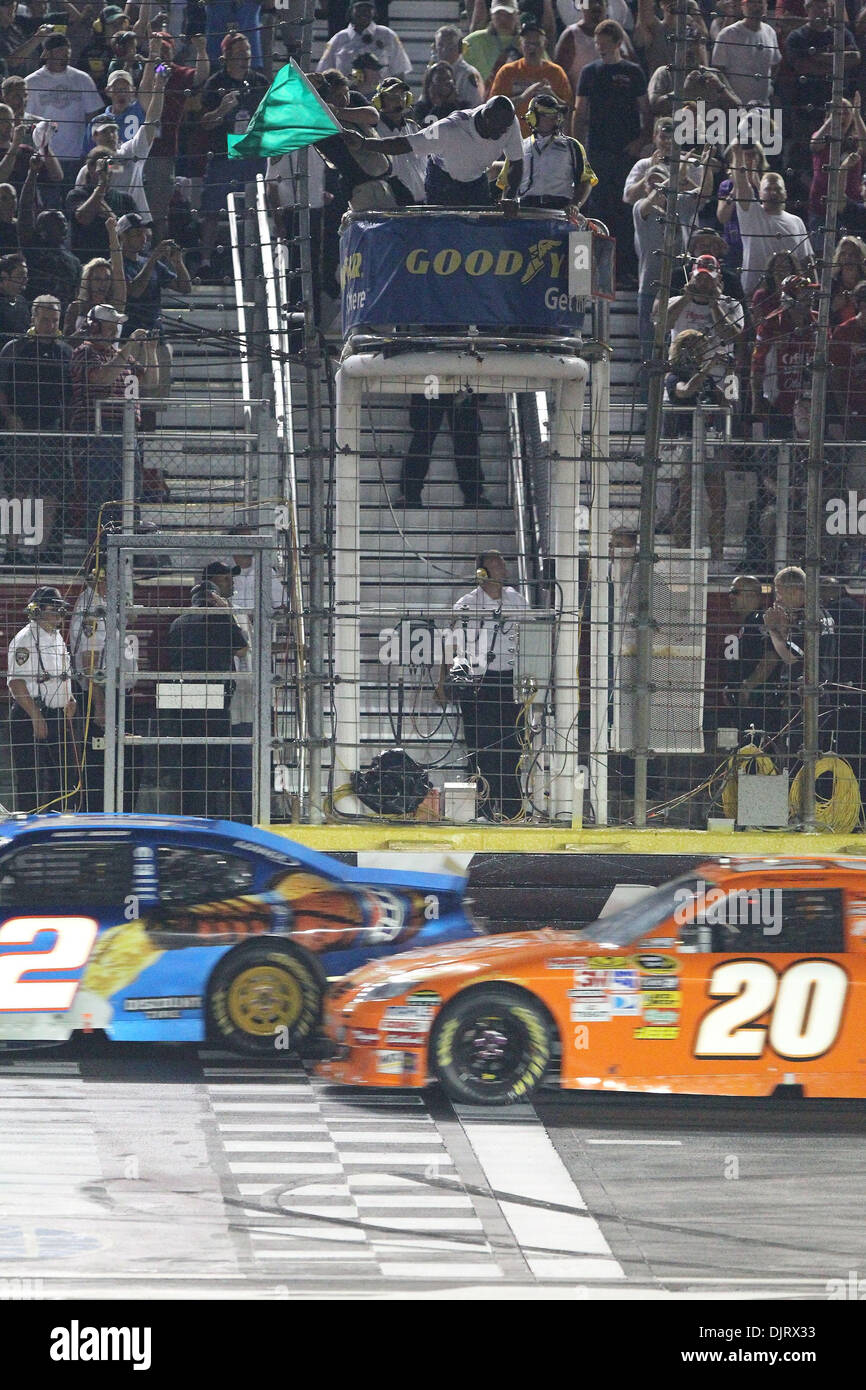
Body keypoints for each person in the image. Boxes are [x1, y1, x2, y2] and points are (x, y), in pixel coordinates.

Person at [435, 549, 529, 821]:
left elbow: (534, 634)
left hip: (510, 679)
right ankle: (484, 807)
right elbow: (451, 644)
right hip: (478, 682)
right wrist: (445, 682)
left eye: (502, 563)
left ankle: (513, 808)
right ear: (483, 573)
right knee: (480, 744)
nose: (502, 568)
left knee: (512, 744)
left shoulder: (517, 600)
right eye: (496, 565)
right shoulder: (467, 603)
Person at [164, 577, 249, 817]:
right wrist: (227, 613)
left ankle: (187, 815)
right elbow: (242, 649)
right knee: (210, 761)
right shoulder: (219, 619)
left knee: (188, 760)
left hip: (181, 695)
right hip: (212, 695)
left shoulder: (178, 622)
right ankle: (205, 815)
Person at [69, 303, 155, 539]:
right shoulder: (84, 352)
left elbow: (150, 383)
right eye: (110, 327)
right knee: (99, 496)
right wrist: (128, 347)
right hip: (99, 433)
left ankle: (124, 553)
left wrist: (149, 349)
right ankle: (97, 556)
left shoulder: (118, 356)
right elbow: (101, 379)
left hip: (127, 433)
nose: (115, 332)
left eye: (117, 327)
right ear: (94, 327)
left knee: (128, 495)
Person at [575, 18, 650, 287]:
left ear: (618, 43)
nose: (601, 49)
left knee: (624, 211)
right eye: (598, 44)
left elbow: (646, 111)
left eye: (606, 44)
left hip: (625, 153)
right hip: (597, 151)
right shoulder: (589, 72)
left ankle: (625, 269)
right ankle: (596, 273)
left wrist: (641, 139)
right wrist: (578, 149)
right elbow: (580, 112)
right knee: (598, 210)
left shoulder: (633, 72)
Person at [358, 94, 524, 209]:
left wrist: (509, 197)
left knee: (478, 228)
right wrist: (364, 143)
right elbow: (403, 144)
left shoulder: (509, 123)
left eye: (506, 127)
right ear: (486, 117)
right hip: (443, 180)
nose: (503, 132)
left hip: (476, 180)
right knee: (442, 226)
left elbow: (516, 162)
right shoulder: (448, 128)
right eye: (499, 128)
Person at [0, 293, 71, 561]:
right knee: (17, 489)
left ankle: (41, 550)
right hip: (22, 427)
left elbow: (69, 392)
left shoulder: (65, 351)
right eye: (45, 319)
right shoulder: (15, 348)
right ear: (33, 318)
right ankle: (13, 549)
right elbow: (2, 387)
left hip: (52, 429)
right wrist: (9, 417)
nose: (50, 325)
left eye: (54, 320)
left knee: (50, 493)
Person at [198, 33, 268, 279]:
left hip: (251, 152)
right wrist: (222, 109)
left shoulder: (259, 81)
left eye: (247, 55)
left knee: (254, 208)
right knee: (212, 210)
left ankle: (253, 261)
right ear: (226, 57)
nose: (244, 60)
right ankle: (205, 261)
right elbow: (204, 123)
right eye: (239, 55)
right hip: (223, 153)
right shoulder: (216, 82)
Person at [7, 585, 78, 812]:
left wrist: (70, 698)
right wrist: (36, 717)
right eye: (53, 607)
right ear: (37, 610)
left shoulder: (56, 637)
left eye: (60, 608)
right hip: (31, 713)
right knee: (32, 780)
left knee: (65, 775)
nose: (58, 613)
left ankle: (54, 821)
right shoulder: (26, 639)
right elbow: (16, 682)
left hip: (56, 714)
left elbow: (62, 674)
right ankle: (30, 828)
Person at [119, 211, 191, 416]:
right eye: (136, 234)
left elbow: (184, 288)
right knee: (131, 401)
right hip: (130, 340)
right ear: (122, 237)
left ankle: (147, 444)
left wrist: (177, 261)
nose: (142, 239)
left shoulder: (151, 263)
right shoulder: (118, 264)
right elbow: (134, 291)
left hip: (156, 337)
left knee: (153, 401)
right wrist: (152, 260)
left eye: (144, 234)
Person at [144, 30, 210, 242]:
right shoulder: (148, 70)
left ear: (173, 51)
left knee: (160, 211)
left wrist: (200, 50)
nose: (162, 54)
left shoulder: (178, 73)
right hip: (139, 148)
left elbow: (201, 76)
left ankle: (160, 252)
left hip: (164, 150)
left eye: (165, 49)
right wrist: (150, 59)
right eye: (158, 49)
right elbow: (139, 90)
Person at [24, 33, 102, 185]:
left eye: (67, 51)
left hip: (76, 155)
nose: (64, 55)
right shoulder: (32, 82)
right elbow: (26, 117)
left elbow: (93, 117)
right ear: (47, 53)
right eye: (60, 51)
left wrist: (90, 150)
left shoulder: (82, 79)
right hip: (45, 156)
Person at [395, 388, 489, 510]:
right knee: (465, 440)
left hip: (433, 382)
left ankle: (411, 494)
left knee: (424, 438)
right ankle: (473, 494)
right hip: (459, 383)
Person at [732, 165, 813, 299]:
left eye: (777, 189)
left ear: (785, 193)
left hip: (791, 294)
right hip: (754, 293)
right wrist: (738, 152)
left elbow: (805, 260)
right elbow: (741, 184)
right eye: (768, 189)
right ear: (760, 193)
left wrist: (810, 292)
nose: (773, 193)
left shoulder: (797, 221)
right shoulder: (751, 214)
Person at [487, 13, 572, 134]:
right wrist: (523, 97)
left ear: (545, 45)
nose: (532, 48)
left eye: (537, 44)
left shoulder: (556, 72)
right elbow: (493, 108)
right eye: (527, 44)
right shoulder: (508, 71)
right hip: (515, 139)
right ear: (520, 45)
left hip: (548, 140)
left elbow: (568, 110)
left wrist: (552, 97)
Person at [17, 155, 81, 311]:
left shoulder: (74, 261)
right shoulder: (33, 246)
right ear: (41, 229)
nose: (63, 223)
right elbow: (25, 208)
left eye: (63, 220)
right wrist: (32, 173)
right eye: (56, 221)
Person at [517, 91, 596, 210]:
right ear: (533, 117)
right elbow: (507, 182)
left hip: (560, 207)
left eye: (555, 115)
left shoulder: (572, 146)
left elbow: (586, 181)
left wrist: (575, 205)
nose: (553, 119)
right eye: (546, 115)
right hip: (526, 207)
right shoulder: (520, 146)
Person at [724, 573, 780, 731]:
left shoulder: (760, 621)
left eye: (735, 592)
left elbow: (772, 656)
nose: (730, 596)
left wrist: (749, 686)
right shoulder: (748, 623)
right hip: (747, 700)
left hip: (759, 701)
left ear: (752, 595)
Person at [66, 145, 137, 260]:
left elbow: (134, 235)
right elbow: (83, 217)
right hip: (86, 260)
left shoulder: (125, 199)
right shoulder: (76, 195)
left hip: (117, 260)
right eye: (103, 165)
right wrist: (102, 183)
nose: (108, 169)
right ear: (90, 167)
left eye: (110, 164)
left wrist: (109, 213)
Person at [316, 0, 411, 82]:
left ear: (375, 12)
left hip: (380, 98)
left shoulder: (387, 35)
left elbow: (399, 70)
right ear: (350, 11)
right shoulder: (339, 38)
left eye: (368, 9)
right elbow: (324, 71)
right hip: (348, 97)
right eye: (359, 8)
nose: (364, 13)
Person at [711, 0, 780, 108]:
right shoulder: (727, 34)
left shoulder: (770, 32)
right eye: (751, 2)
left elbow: (775, 63)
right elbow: (719, 70)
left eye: (759, 2)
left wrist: (769, 88)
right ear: (743, 6)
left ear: (766, 6)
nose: (756, 6)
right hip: (734, 106)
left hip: (762, 106)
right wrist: (729, 98)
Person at [372, 75, 426, 205]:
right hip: (393, 201)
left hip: (422, 198)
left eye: (402, 96)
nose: (399, 100)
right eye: (392, 97)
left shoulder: (413, 127)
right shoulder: (374, 131)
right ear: (380, 101)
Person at [462, 0, 522, 88]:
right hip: (482, 97)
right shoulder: (474, 40)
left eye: (508, 15)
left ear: (517, 16)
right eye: (498, 14)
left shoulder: (527, 41)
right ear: (491, 15)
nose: (503, 19)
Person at [431, 25, 483, 107]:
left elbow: (474, 107)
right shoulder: (433, 71)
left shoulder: (468, 74)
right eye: (440, 45)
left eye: (450, 45)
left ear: (460, 48)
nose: (444, 50)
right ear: (435, 47)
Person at [414, 62, 469, 127]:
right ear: (430, 84)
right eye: (439, 79)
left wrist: (451, 103)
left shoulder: (464, 106)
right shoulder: (421, 108)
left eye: (448, 78)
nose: (445, 82)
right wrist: (438, 106)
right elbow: (427, 132)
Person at [0, 249, 28, 344]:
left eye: (26, 277)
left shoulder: (22, 302)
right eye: (20, 276)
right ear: (4, 277)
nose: (25, 281)